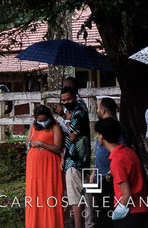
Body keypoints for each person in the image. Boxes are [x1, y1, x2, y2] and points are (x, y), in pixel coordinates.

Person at [97, 116, 148, 227]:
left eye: (97, 134)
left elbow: (126, 195)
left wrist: (116, 215)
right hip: (140, 209)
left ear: (101, 136)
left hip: (129, 213)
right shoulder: (128, 152)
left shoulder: (117, 160)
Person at [25, 103, 65, 228]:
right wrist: (31, 144)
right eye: (39, 120)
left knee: (49, 191)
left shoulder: (55, 127)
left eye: (44, 120)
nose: (42, 122)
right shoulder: (33, 126)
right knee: (35, 192)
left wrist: (42, 143)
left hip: (50, 164)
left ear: (49, 117)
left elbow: (58, 148)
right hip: (34, 166)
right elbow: (28, 143)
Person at [61, 86, 93, 228]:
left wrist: (66, 121)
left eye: (68, 99)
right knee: (86, 195)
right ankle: (89, 224)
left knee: (75, 198)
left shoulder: (78, 112)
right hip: (84, 159)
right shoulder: (80, 109)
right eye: (63, 100)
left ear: (75, 97)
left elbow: (72, 136)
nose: (66, 102)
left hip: (74, 161)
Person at [92, 97, 125, 228]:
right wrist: (93, 172)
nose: (97, 110)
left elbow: (121, 149)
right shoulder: (102, 125)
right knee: (101, 211)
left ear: (103, 111)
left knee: (108, 213)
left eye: (98, 108)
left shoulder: (117, 128)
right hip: (99, 175)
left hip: (109, 177)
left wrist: (111, 173)